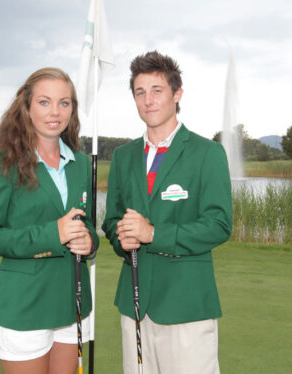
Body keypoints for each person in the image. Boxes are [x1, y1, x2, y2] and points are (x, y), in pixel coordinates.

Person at [102, 51, 233, 373]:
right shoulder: (123, 156)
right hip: (134, 302)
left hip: (186, 303)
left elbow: (218, 224)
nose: (148, 100)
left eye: (157, 90)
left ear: (177, 94)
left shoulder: (208, 153)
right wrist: (122, 238)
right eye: (140, 92)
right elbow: (111, 220)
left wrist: (153, 234)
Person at [0, 67, 98, 374]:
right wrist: (52, 234)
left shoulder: (82, 164)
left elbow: (87, 223)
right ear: (26, 107)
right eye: (44, 102)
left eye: (64, 103)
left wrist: (89, 241)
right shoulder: (3, 161)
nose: (55, 112)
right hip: (24, 307)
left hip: (73, 304)